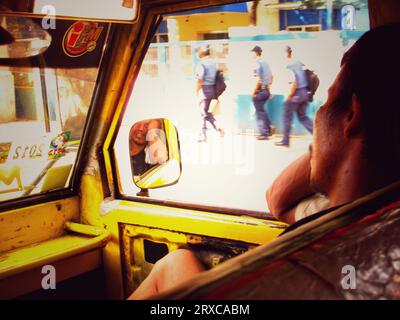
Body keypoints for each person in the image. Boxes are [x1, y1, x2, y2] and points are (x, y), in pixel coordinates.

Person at [129, 24, 400, 300]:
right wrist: (336, 142)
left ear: (353, 114)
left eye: (327, 101)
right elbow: (278, 200)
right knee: (175, 263)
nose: (317, 115)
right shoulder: (364, 211)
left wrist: (331, 143)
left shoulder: (343, 239)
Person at [275, 46, 313, 147]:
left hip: (296, 95)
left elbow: (294, 82)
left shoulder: (289, 65)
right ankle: (318, 135)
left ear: (287, 53)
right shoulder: (299, 62)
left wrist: (289, 96)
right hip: (305, 93)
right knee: (303, 116)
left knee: (287, 118)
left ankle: (285, 141)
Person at [195, 45, 224, 142]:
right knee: (205, 113)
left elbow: (200, 79)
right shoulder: (213, 62)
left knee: (203, 113)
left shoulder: (201, 63)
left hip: (205, 90)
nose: (197, 53)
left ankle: (206, 134)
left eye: (198, 51)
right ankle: (211, 130)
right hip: (213, 89)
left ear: (202, 52)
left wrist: (197, 90)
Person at [251, 45, 274, 140]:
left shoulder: (257, 63)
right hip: (266, 90)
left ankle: (264, 134)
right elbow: (272, 77)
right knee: (262, 111)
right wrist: (268, 90)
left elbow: (259, 79)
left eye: (252, 52)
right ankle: (269, 128)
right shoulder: (266, 63)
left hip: (260, 91)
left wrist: (254, 91)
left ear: (255, 53)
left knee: (259, 113)